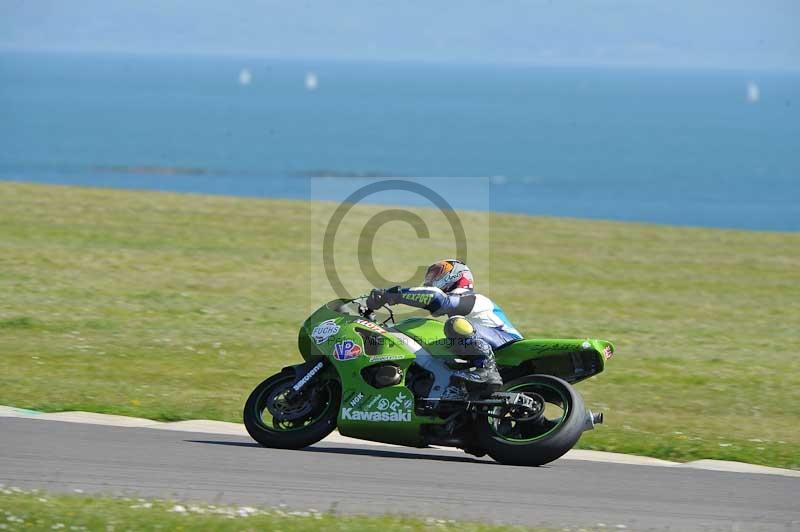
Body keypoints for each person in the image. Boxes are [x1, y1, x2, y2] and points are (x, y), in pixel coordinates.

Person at [366, 259, 522, 396]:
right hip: (491, 345)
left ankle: (487, 369)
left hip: (506, 342)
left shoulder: (476, 299)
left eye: (437, 273)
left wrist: (391, 295)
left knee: (455, 324)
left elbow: (439, 300)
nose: (431, 279)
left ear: (455, 275)